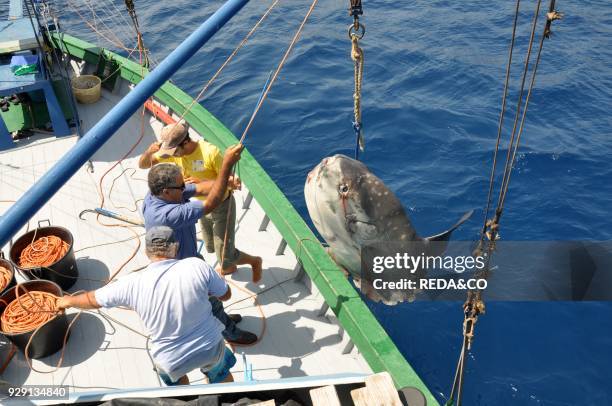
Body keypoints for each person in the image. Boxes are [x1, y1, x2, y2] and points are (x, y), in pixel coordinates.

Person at [56, 226, 237, 386]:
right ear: (175, 248)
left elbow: (93, 299)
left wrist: (67, 301)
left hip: (170, 360)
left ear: (147, 252)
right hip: (209, 346)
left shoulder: (130, 283)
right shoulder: (197, 266)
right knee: (221, 376)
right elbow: (225, 295)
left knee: (178, 388)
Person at [142, 143, 257, 345]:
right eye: (180, 186)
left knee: (212, 300)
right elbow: (211, 203)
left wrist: (227, 182)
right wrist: (226, 166)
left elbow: (200, 187)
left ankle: (224, 321)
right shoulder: (168, 215)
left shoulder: (158, 194)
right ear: (167, 191)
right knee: (211, 300)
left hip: (190, 257)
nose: (184, 188)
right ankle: (230, 333)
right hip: (182, 269)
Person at [139, 122, 262, 282]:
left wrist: (200, 181)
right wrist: (150, 151)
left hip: (222, 206)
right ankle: (228, 265)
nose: (171, 156)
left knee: (225, 255)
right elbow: (142, 164)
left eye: (173, 151)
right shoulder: (172, 152)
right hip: (200, 207)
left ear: (185, 142)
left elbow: (232, 182)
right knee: (210, 246)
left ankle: (253, 261)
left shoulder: (210, 152)